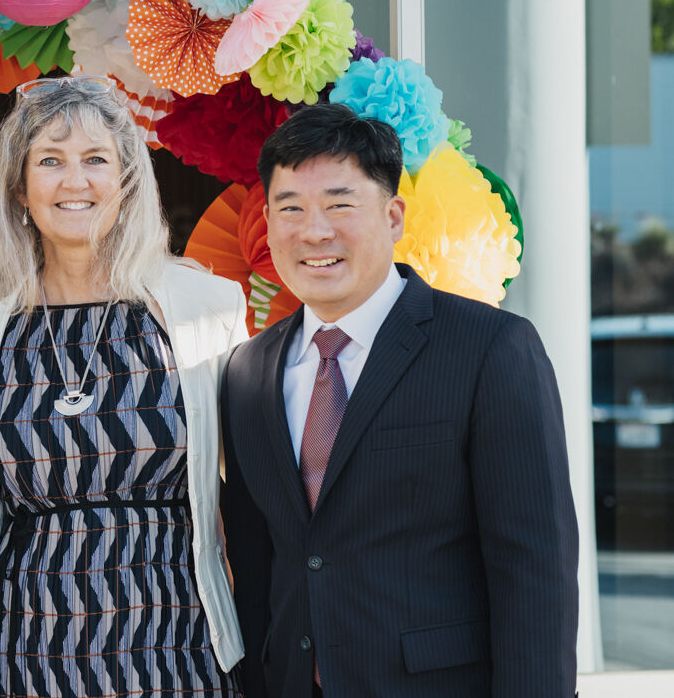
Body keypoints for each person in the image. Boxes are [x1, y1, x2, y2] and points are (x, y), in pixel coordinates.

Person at [220, 103, 578, 698]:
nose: (314, 231)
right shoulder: (246, 371)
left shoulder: (490, 349)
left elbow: (534, 569)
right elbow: (258, 572)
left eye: (340, 204)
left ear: (392, 217)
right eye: (290, 208)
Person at [0, 75, 248, 698]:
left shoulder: (203, 304)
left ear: (127, 180)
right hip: (22, 650)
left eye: (95, 160)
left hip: (174, 647)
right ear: (20, 186)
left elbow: (251, 488)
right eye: (50, 161)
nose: (74, 181)